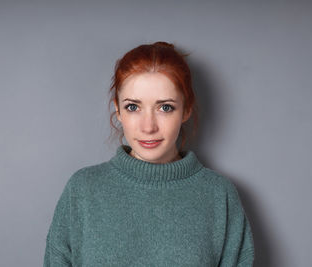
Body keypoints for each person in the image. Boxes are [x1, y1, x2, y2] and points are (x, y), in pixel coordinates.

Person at [43, 41, 255, 266]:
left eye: (165, 107)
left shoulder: (218, 195)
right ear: (118, 109)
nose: (148, 127)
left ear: (186, 109)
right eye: (133, 107)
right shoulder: (82, 190)